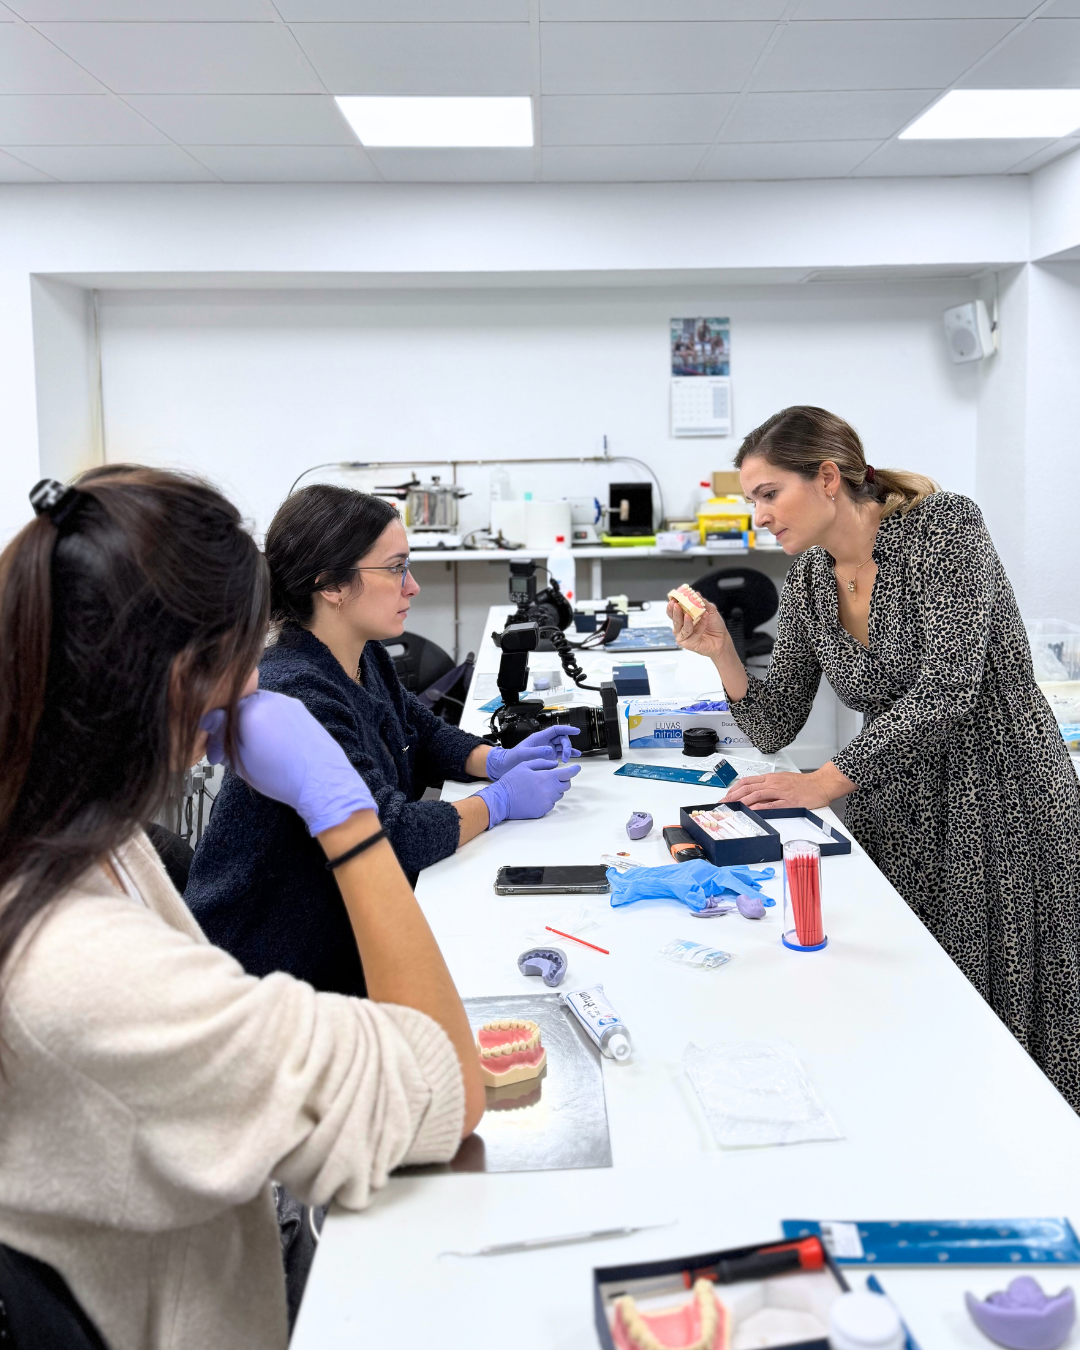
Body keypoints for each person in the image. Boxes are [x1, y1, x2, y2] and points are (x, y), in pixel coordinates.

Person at [0, 467, 485, 1350]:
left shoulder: (71, 834)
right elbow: (447, 1090)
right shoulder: (80, 967)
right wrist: (348, 820)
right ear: (191, 673)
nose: (252, 681)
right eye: (240, 654)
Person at [669, 406, 1080, 1110]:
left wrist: (823, 783)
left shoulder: (943, 528)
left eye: (769, 494)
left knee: (1010, 1003)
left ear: (827, 477)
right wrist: (723, 654)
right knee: (912, 997)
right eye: (752, 501)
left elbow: (949, 688)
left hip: (1001, 793)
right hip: (898, 802)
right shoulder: (806, 583)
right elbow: (774, 723)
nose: (760, 516)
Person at [187, 483, 579, 997]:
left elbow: (421, 730)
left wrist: (496, 759)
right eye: (396, 568)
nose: (412, 586)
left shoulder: (358, 651)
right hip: (271, 968)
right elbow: (390, 836)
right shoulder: (297, 687)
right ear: (332, 585)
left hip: (331, 932)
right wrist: (497, 803)